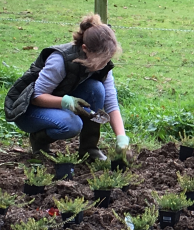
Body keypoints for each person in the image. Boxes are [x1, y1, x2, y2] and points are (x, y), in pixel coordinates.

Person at [4, 14, 129, 160]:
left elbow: (111, 101)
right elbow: (36, 97)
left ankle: (89, 150)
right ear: (85, 49)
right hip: (29, 110)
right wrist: (65, 101)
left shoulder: (103, 62)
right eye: (100, 61)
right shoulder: (60, 60)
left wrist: (122, 138)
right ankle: (39, 139)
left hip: (57, 100)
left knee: (96, 89)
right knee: (71, 124)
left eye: (106, 60)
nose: (103, 65)